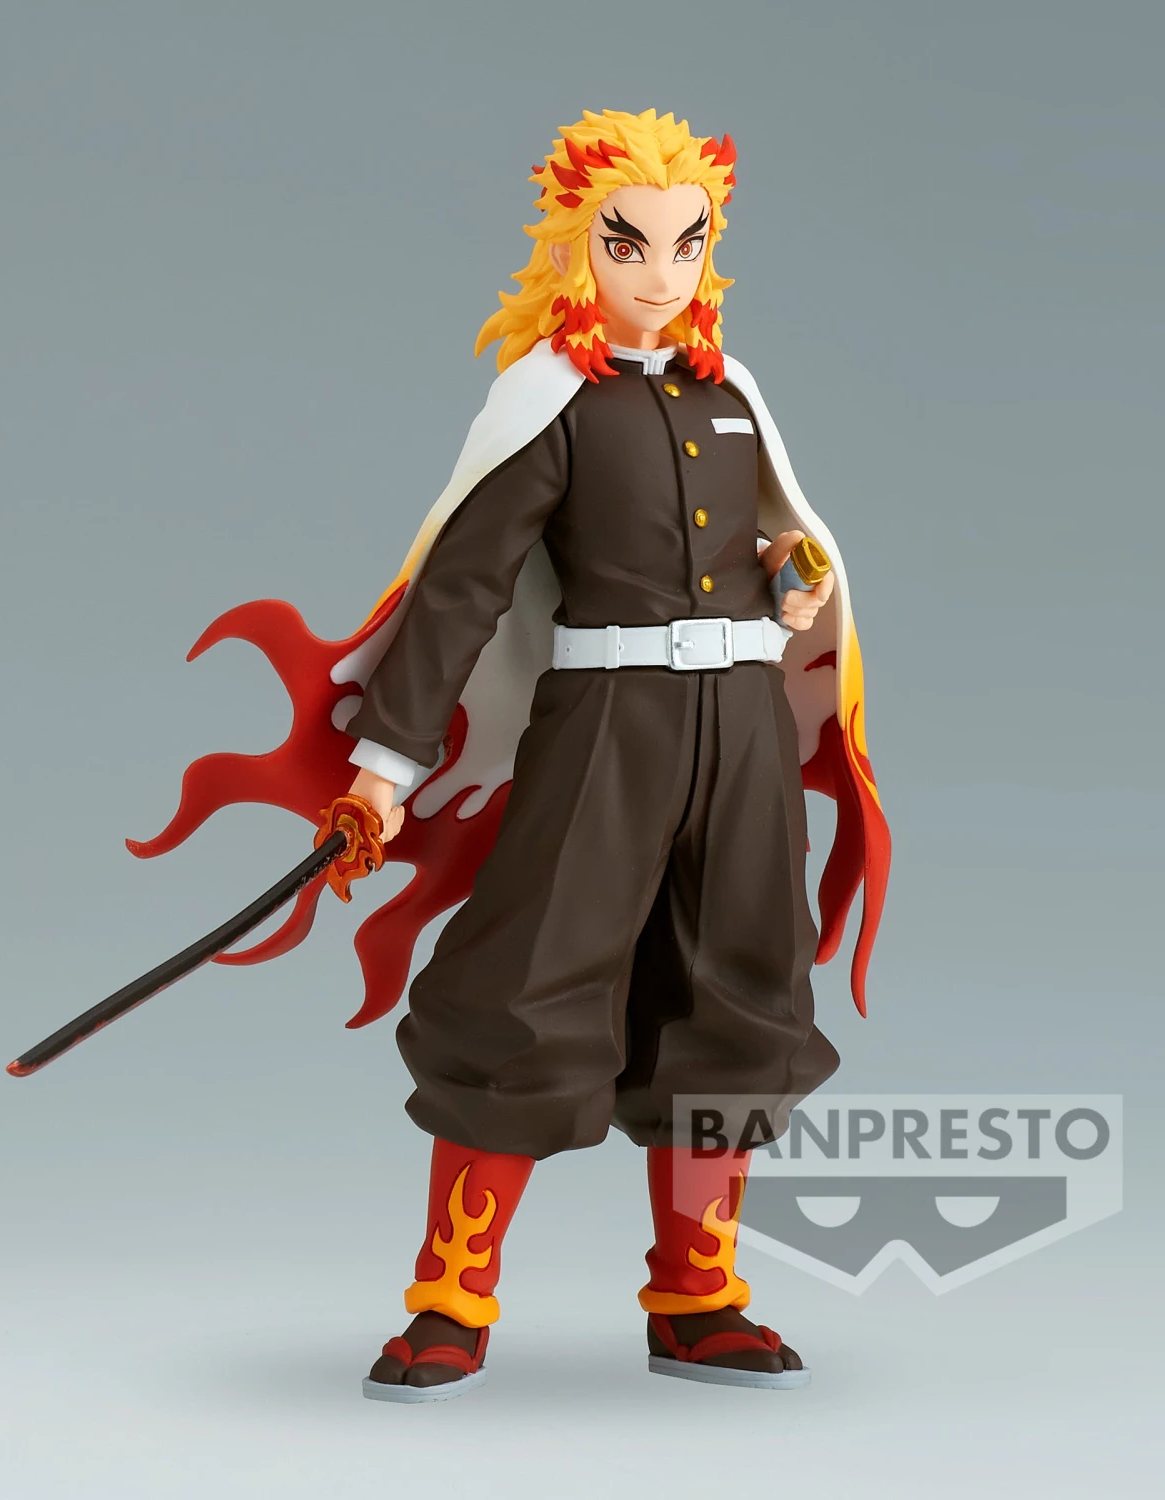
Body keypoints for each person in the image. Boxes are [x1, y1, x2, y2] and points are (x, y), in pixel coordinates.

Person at [134, 109, 891, 1400]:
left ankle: (698, 1292)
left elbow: (767, 544)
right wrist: (383, 770)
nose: (662, 271)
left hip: (745, 728)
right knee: (527, 984)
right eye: (629, 242)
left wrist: (791, 577)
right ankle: (451, 1296)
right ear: (575, 246)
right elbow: (461, 591)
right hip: (606, 727)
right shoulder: (551, 401)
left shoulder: (730, 394)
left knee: (741, 994)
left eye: (689, 242)